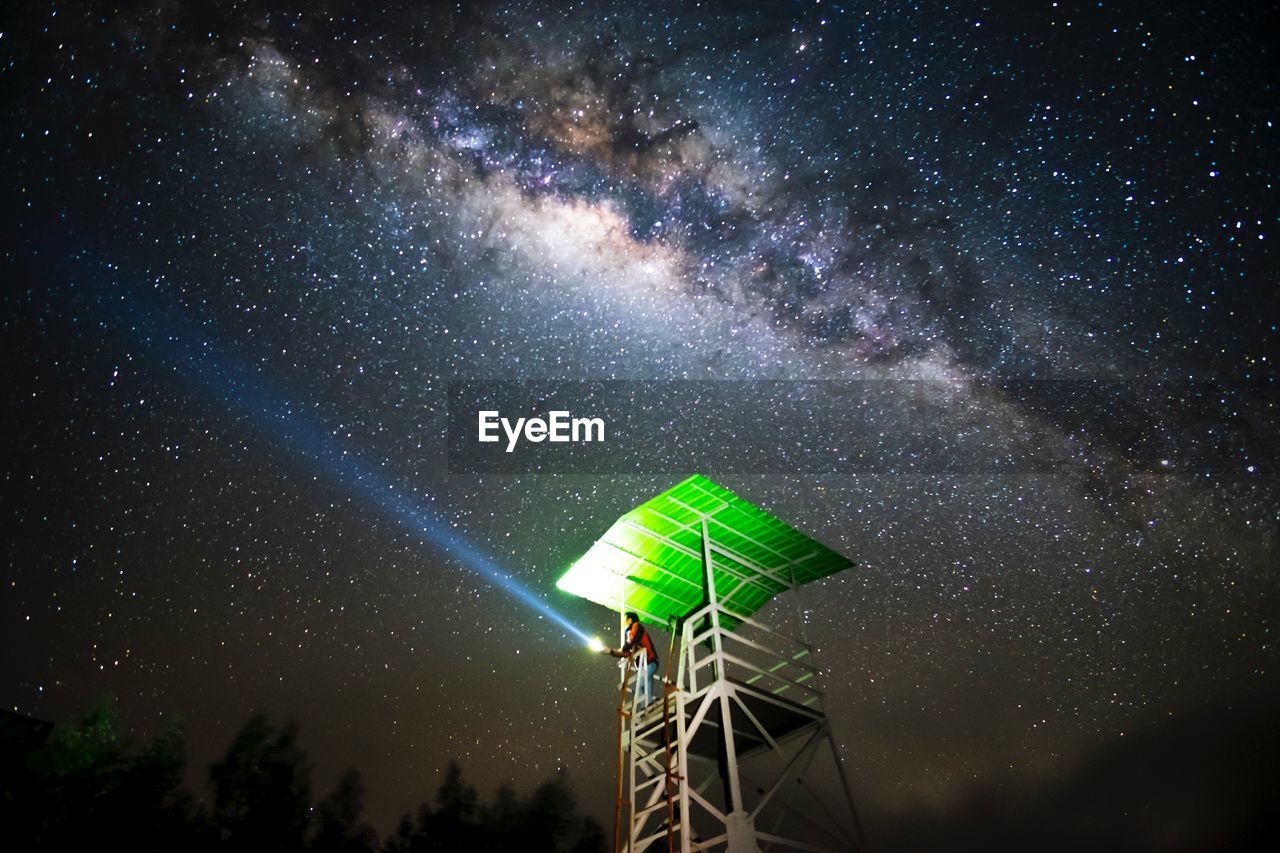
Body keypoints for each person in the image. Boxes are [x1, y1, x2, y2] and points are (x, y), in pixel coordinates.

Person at [601, 611, 660, 709]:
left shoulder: (636, 627)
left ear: (630, 620)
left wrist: (623, 648)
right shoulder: (630, 634)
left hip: (649, 662)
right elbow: (627, 652)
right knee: (644, 687)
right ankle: (648, 705)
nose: (622, 622)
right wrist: (610, 651)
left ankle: (644, 707)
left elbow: (630, 643)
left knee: (636, 686)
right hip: (646, 665)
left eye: (624, 619)